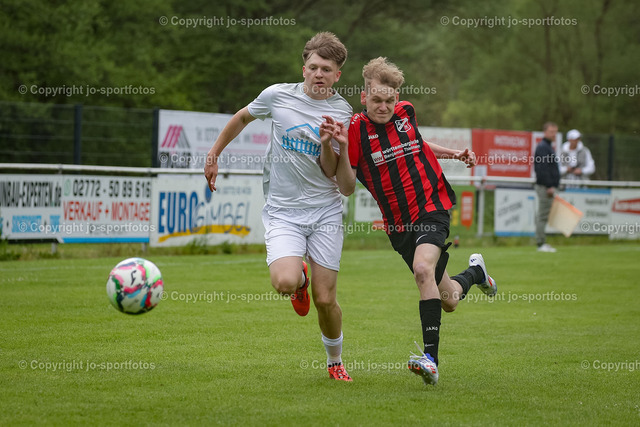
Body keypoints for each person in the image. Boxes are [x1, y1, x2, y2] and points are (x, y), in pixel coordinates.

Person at [319, 57, 497, 386]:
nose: (384, 107)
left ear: (397, 98)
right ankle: (476, 273)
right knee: (449, 300)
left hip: (432, 206)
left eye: (390, 101)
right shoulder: (355, 130)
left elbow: (418, 144)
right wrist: (341, 149)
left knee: (422, 270)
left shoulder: (406, 112)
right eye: (377, 100)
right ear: (364, 97)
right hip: (399, 226)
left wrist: (454, 154)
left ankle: (430, 360)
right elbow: (346, 186)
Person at [204, 32, 353, 381]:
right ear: (304, 69)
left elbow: (333, 172)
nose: (318, 74)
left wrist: (328, 143)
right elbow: (242, 118)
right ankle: (300, 280)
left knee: (325, 299)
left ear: (337, 75)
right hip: (284, 211)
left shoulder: (343, 112)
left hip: (325, 210)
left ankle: (335, 361)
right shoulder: (277, 95)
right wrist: (213, 155)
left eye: (326, 69)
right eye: (313, 67)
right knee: (285, 282)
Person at [534, 122, 560, 253]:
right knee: (542, 215)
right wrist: (549, 185)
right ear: (545, 132)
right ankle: (540, 243)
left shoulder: (547, 146)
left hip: (547, 186)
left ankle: (541, 242)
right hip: (545, 187)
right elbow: (542, 169)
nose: (553, 134)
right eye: (551, 132)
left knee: (543, 215)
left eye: (555, 132)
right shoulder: (543, 147)